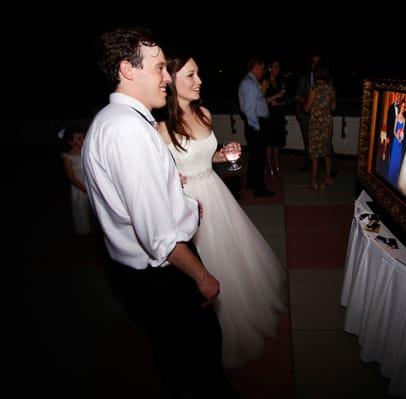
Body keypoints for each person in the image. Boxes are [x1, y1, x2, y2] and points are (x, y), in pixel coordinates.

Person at [81, 27, 236, 398]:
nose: (167, 77)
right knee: (202, 362)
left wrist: (173, 189)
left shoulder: (110, 121)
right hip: (163, 275)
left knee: (173, 355)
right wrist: (202, 276)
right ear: (127, 70)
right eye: (160, 68)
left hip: (138, 275)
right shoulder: (129, 132)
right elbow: (160, 237)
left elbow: (131, 197)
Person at [156, 53, 286, 369]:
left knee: (233, 260)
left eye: (198, 73)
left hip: (215, 192)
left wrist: (224, 154)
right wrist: (170, 178)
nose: (199, 81)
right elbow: (152, 178)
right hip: (187, 204)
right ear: (171, 82)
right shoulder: (158, 127)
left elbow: (207, 158)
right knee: (201, 269)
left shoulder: (205, 114)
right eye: (191, 75)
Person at [238, 56, 274, 197]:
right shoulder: (250, 84)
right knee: (259, 158)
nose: (264, 71)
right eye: (262, 67)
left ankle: (251, 183)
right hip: (256, 125)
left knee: (254, 156)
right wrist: (257, 127)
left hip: (255, 124)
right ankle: (259, 189)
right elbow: (249, 109)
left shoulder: (251, 82)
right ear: (255, 67)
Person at [303, 60, 336, 190]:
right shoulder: (331, 89)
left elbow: (306, 109)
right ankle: (328, 179)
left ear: (316, 74)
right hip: (327, 124)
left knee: (315, 155)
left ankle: (313, 183)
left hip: (316, 124)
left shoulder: (314, 89)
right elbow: (333, 107)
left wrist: (302, 101)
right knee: (327, 152)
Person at [59, 125, 95, 236]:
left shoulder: (88, 151)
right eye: (78, 139)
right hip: (80, 189)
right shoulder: (68, 157)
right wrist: (85, 189)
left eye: (83, 137)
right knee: (83, 212)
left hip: (92, 185)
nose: (82, 140)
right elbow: (72, 178)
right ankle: (86, 234)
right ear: (70, 142)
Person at [262, 59, 287, 176]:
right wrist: (276, 96)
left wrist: (279, 103)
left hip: (278, 115)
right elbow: (261, 101)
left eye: (279, 66)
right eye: (276, 66)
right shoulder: (265, 82)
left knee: (277, 142)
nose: (278, 69)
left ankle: (277, 164)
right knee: (269, 143)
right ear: (270, 68)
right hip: (269, 116)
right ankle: (269, 165)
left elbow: (284, 101)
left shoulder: (280, 81)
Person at [295, 54, 321, 170]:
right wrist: (300, 115)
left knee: (321, 142)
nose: (316, 64)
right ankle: (308, 163)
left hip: (319, 117)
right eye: (314, 62)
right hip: (305, 116)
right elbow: (297, 96)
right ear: (311, 64)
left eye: (318, 62)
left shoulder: (324, 78)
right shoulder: (303, 78)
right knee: (307, 142)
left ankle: (323, 165)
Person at [387, 98, 406, 185]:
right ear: (400, 107)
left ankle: (395, 179)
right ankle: (390, 178)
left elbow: (404, 130)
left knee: (398, 160)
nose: (402, 108)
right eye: (401, 106)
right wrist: (397, 137)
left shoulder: (404, 119)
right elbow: (394, 130)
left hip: (400, 142)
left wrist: (402, 137)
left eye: (404, 106)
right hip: (396, 141)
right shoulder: (397, 117)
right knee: (394, 159)